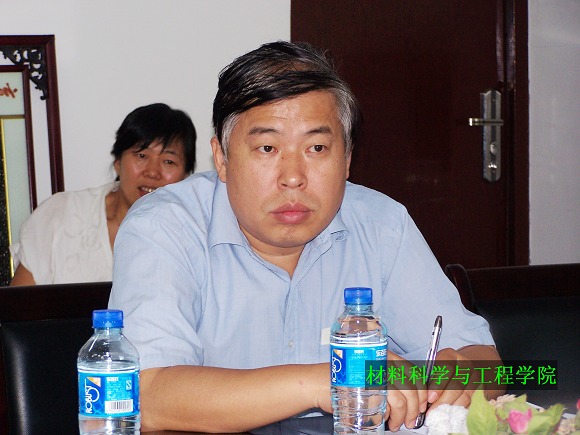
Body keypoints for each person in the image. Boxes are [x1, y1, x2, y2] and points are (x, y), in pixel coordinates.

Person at [109, 41, 501, 433]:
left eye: (316, 147)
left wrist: (459, 378)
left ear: (347, 159)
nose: (293, 177)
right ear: (222, 159)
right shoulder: (163, 226)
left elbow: (491, 367)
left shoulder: (382, 223)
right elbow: (147, 395)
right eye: (267, 147)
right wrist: (324, 381)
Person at [10, 103, 196, 286]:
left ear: (186, 176)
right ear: (118, 162)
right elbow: (20, 304)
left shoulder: (196, 238)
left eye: (168, 161)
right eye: (142, 156)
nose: (153, 172)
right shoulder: (59, 215)